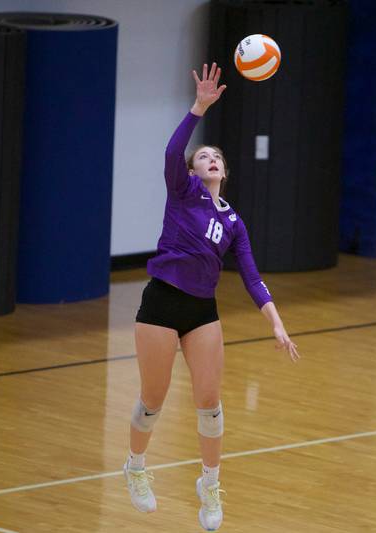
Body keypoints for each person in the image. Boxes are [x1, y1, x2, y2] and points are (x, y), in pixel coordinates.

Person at [123, 63, 300, 531]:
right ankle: (136, 469)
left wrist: (276, 322)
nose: (212, 158)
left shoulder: (235, 222)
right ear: (192, 170)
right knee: (152, 401)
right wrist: (198, 108)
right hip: (161, 304)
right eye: (204, 155)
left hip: (202, 311)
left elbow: (252, 276)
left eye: (217, 156)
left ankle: (210, 484)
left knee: (210, 401)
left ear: (225, 170)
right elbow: (171, 150)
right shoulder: (181, 192)